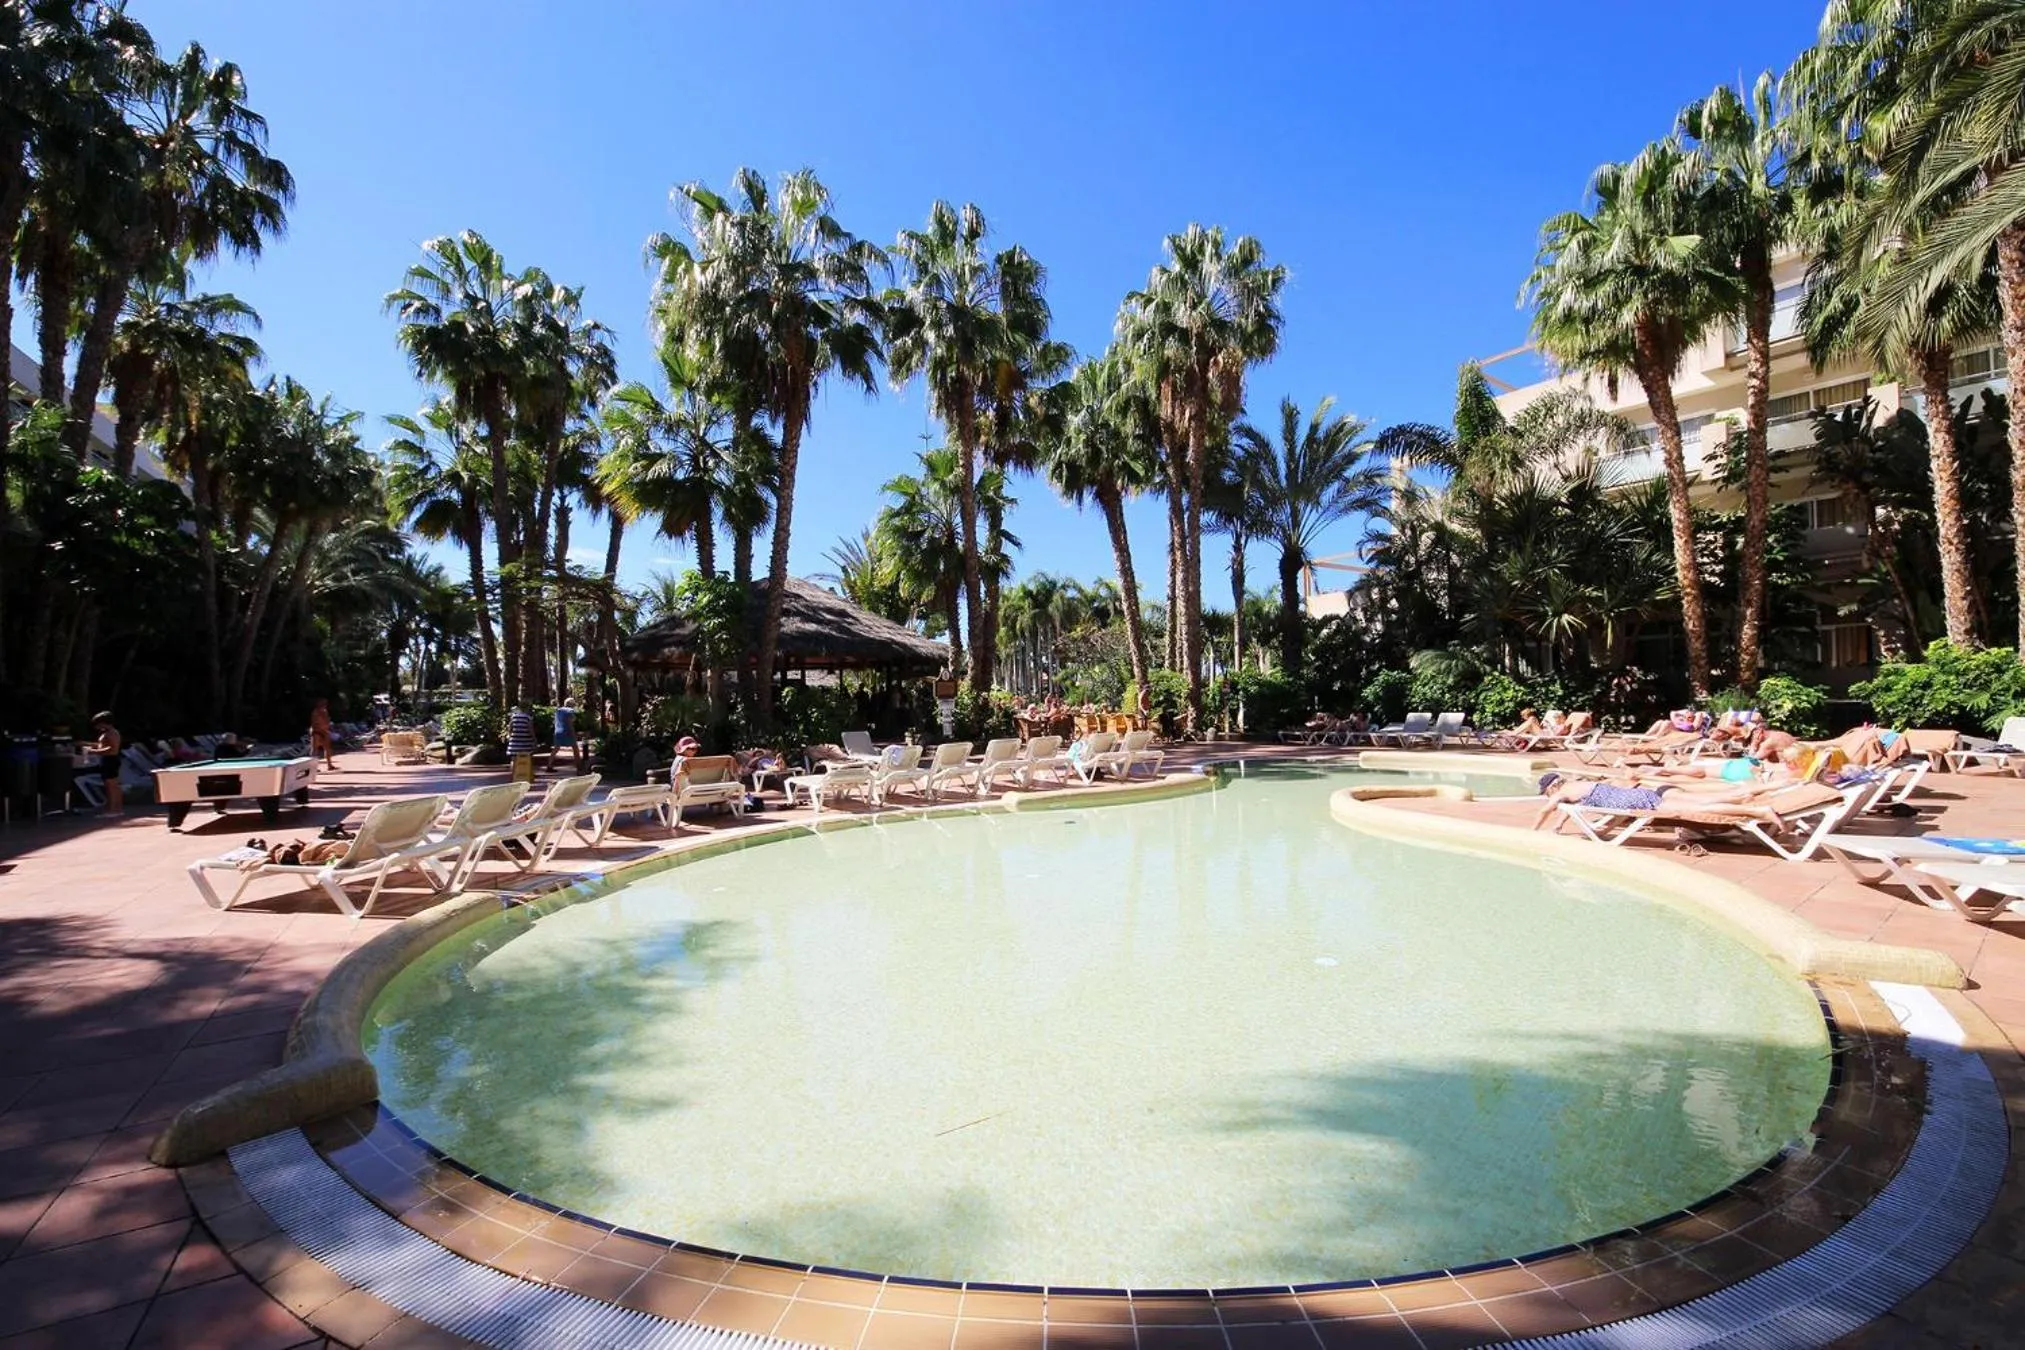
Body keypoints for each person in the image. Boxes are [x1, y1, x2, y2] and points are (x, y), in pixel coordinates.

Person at [81, 711, 123, 817]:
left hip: (110, 760)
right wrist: (87, 744)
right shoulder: (108, 733)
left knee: (111, 786)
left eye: (98, 724)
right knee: (112, 785)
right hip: (109, 760)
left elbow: (111, 749)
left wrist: (92, 752)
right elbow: (102, 745)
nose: (97, 727)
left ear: (104, 723)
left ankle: (113, 810)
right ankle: (115, 808)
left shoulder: (111, 733)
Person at [506, 703, 537, 784]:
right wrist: (534, 739)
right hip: (525, 741)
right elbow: (530, 729)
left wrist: (510, 736)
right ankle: (529, 776)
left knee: (513, 759)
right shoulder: (528, 718)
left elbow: (510, 727)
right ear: (527, 709)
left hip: (514, 741)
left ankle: (513, 776)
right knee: (528, 758)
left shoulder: (514, 716)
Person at [553, 699, 581, 770]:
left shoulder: (558, 710)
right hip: (567, 732)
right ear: (571, 704)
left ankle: (549, 765)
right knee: (575, 748)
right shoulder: (570, 711)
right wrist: (573, 733)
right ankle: (579, 766)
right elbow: (570, 723)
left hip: (558, 731)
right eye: (573, 704)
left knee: (556, 749)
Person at [309, 698, 336, 770]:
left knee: (328, 749)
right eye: (323, 703)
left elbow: (327, 721)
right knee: (315, 750)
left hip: (324, 732)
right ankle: (313, 767)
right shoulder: (315, 712)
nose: (325, 704)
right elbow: (315, 723)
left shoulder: (325, 711)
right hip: (317, 732)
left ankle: (329, 765)